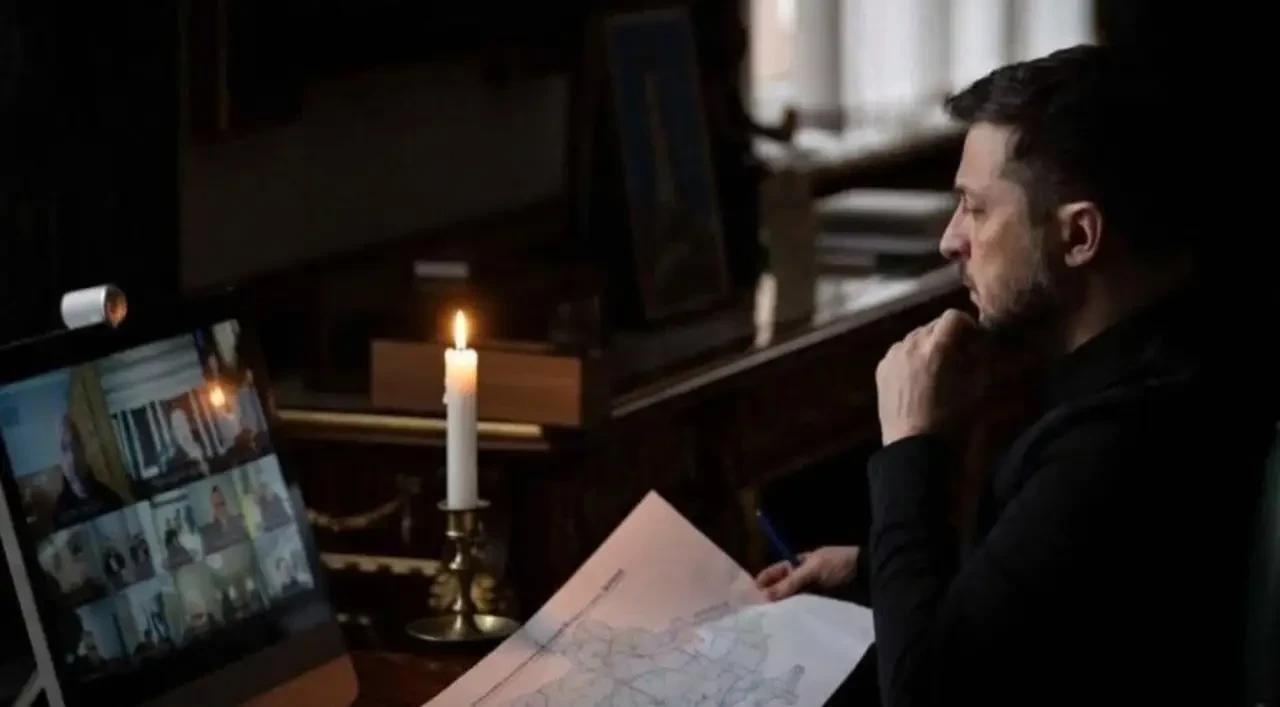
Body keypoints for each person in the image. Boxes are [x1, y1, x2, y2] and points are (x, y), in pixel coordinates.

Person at [756, 44, 1274, 705]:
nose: (951, 240)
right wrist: (873, 571)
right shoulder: (1183, 359)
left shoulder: (1120, 439)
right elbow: (1049, 581)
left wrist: (910, 445)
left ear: (1078, 236)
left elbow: (925, 695)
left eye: (975, 209)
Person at [53, 415, 123, 521]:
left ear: (83, 448)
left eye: (75, 445)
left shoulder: (110, 499)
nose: (72, 457)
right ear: (59, 458)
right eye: (64, 448)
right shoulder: (59, 513)